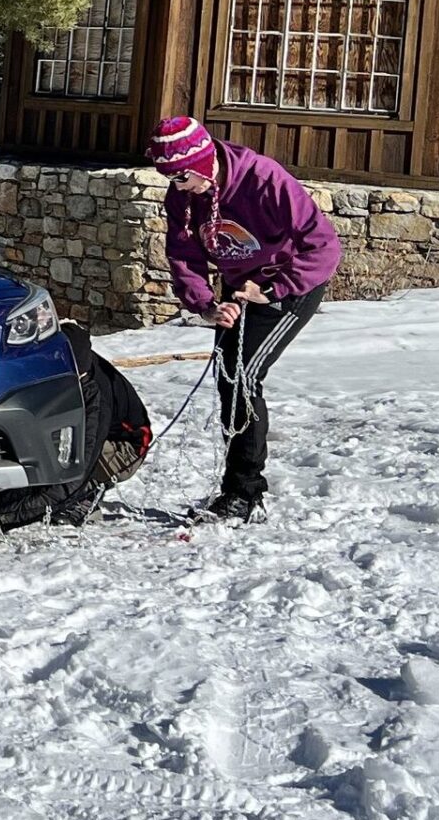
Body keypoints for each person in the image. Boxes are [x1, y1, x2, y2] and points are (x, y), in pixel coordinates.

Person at [147, 116, 343, 523]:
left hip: (289, 285)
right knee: (227, 376)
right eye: (170, 179)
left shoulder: (264, 180)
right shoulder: (183, 195)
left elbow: (323, 247)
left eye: (181, 177)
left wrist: (270, 291)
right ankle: (235, 489)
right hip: (238, 288)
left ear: (202, 163)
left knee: (243, 377)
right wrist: (205, 306)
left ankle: (246, 494)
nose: (177, 187)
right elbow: (184, 255)